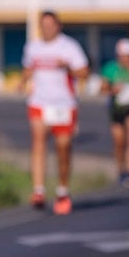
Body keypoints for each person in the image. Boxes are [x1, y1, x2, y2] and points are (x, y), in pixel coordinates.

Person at [20, 12, 90, 214]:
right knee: (38, 142)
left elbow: (84, 72)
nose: (47, 29)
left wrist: (67, 67)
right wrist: (23, 81)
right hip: (39, 102)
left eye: (51, 25)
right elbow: (28, 68)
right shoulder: (33, 47)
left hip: (63, 104)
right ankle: (38, 190)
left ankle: (62, 190)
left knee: (63, 148)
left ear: (58, 26)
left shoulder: (69, 47)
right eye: (43, 25)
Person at [102, 38, 129, 188]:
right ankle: (121, 170)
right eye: (123, 56)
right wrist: (112, 89)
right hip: (116, 109)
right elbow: (102, 87)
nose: (126, 59)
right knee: (119, 142)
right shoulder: (110, 68)